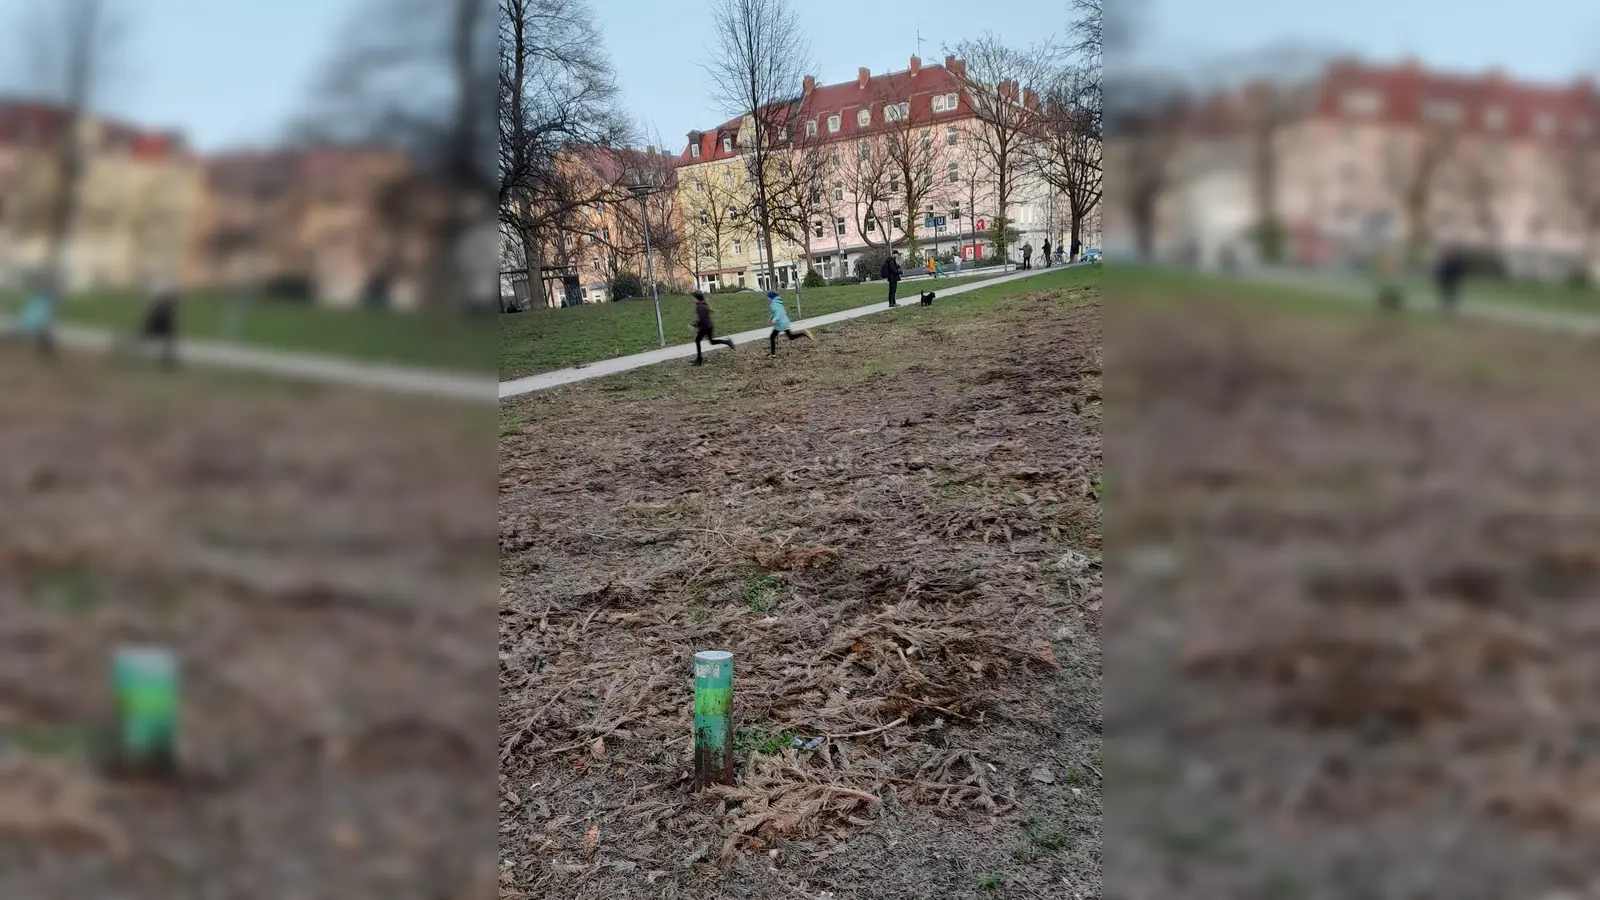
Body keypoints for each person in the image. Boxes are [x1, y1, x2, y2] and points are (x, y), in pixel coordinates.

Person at [691, 291, 735, 365]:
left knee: (697, 340)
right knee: (711, 341)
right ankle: (727, 342)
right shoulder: (704, 304)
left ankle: (699, 360)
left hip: (705, 326)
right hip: (709, 325)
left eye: (694, 298)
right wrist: (696, 325)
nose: (693, 299)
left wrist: (695, 326)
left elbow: (702, 319)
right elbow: (704, 318)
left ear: (696, 298)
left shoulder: (699, 306)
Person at [766, 290, 813, 357]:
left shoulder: (773, 303)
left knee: (772, 337)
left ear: (771, 297)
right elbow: (777, 312)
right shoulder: (778, 301)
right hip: (785, 321)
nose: (768, 298)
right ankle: (804, 333)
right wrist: (771, 318)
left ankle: (773, 354)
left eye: (768, 296)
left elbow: (778, 313)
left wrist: (774, 319)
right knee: (791, 337)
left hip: (780, 323)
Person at [1436, 247, 1466, 311]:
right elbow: (1442, 271)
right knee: (1446, 292)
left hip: (1452, 280)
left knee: (1451, 292)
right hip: (1447, 279)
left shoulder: (1454, 263)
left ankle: (1451, 304)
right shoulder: (1446, 263)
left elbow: (1457, 271)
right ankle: (1446, 304)